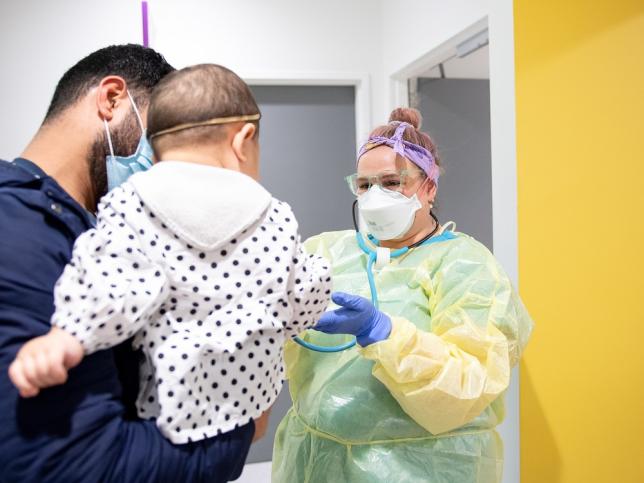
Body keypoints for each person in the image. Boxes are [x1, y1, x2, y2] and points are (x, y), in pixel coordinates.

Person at [9, 63, 332, 446]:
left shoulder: (131, 204)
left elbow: (109, 284)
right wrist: (320, 279)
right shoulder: (276, 215)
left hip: (172, 408)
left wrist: (66, 337)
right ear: (243, 140)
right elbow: (298, 299)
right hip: (251, 403)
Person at [0, 45, 266, 482]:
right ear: (111, 99)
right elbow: (74, 466)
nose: (171, 164)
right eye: (161, 137)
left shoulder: (101, 231)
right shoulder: (19, 230)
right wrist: (241, 429)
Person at [273, 108, 534, 483]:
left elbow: (470, 382)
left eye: (392, 182)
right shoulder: (327, 252)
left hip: (422, 466)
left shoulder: (465, 265)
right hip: (315, 459)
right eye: (364, 185)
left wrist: (383, 332)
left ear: (429, 187)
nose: (375, 196)